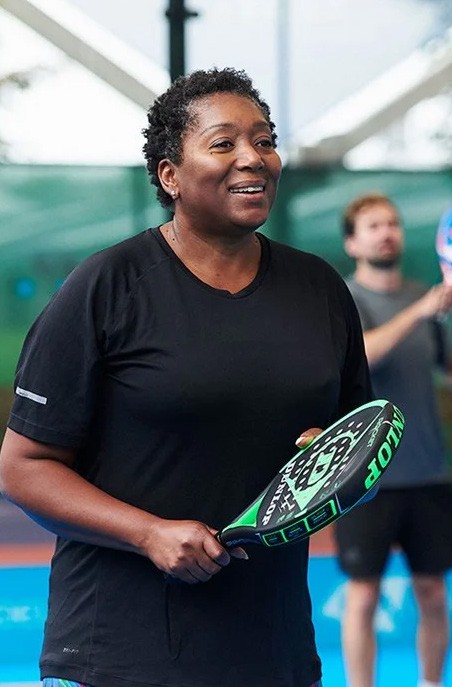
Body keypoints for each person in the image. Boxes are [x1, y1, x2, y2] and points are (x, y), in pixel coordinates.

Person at [0, 68, 372, 687]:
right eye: (223, 143)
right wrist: (148, 533)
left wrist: (329, 464)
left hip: (271, 650)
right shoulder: (106, 286)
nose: (253, 158)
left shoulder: (320, 290)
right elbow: (21, 467)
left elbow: (358, 449)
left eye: (264, 139)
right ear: (170, 175)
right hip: (121, 653)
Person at [334, 192, 452, 687]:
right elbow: (363, 358)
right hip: (363, 478)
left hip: (429, 472)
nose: (386, 231)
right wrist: (419, 310)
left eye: (392, 223)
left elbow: (447, 364)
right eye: (373, 225)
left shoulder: (426, 297)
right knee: (363, 596)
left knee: (432, 592)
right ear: (352, 242)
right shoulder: (345, 299)